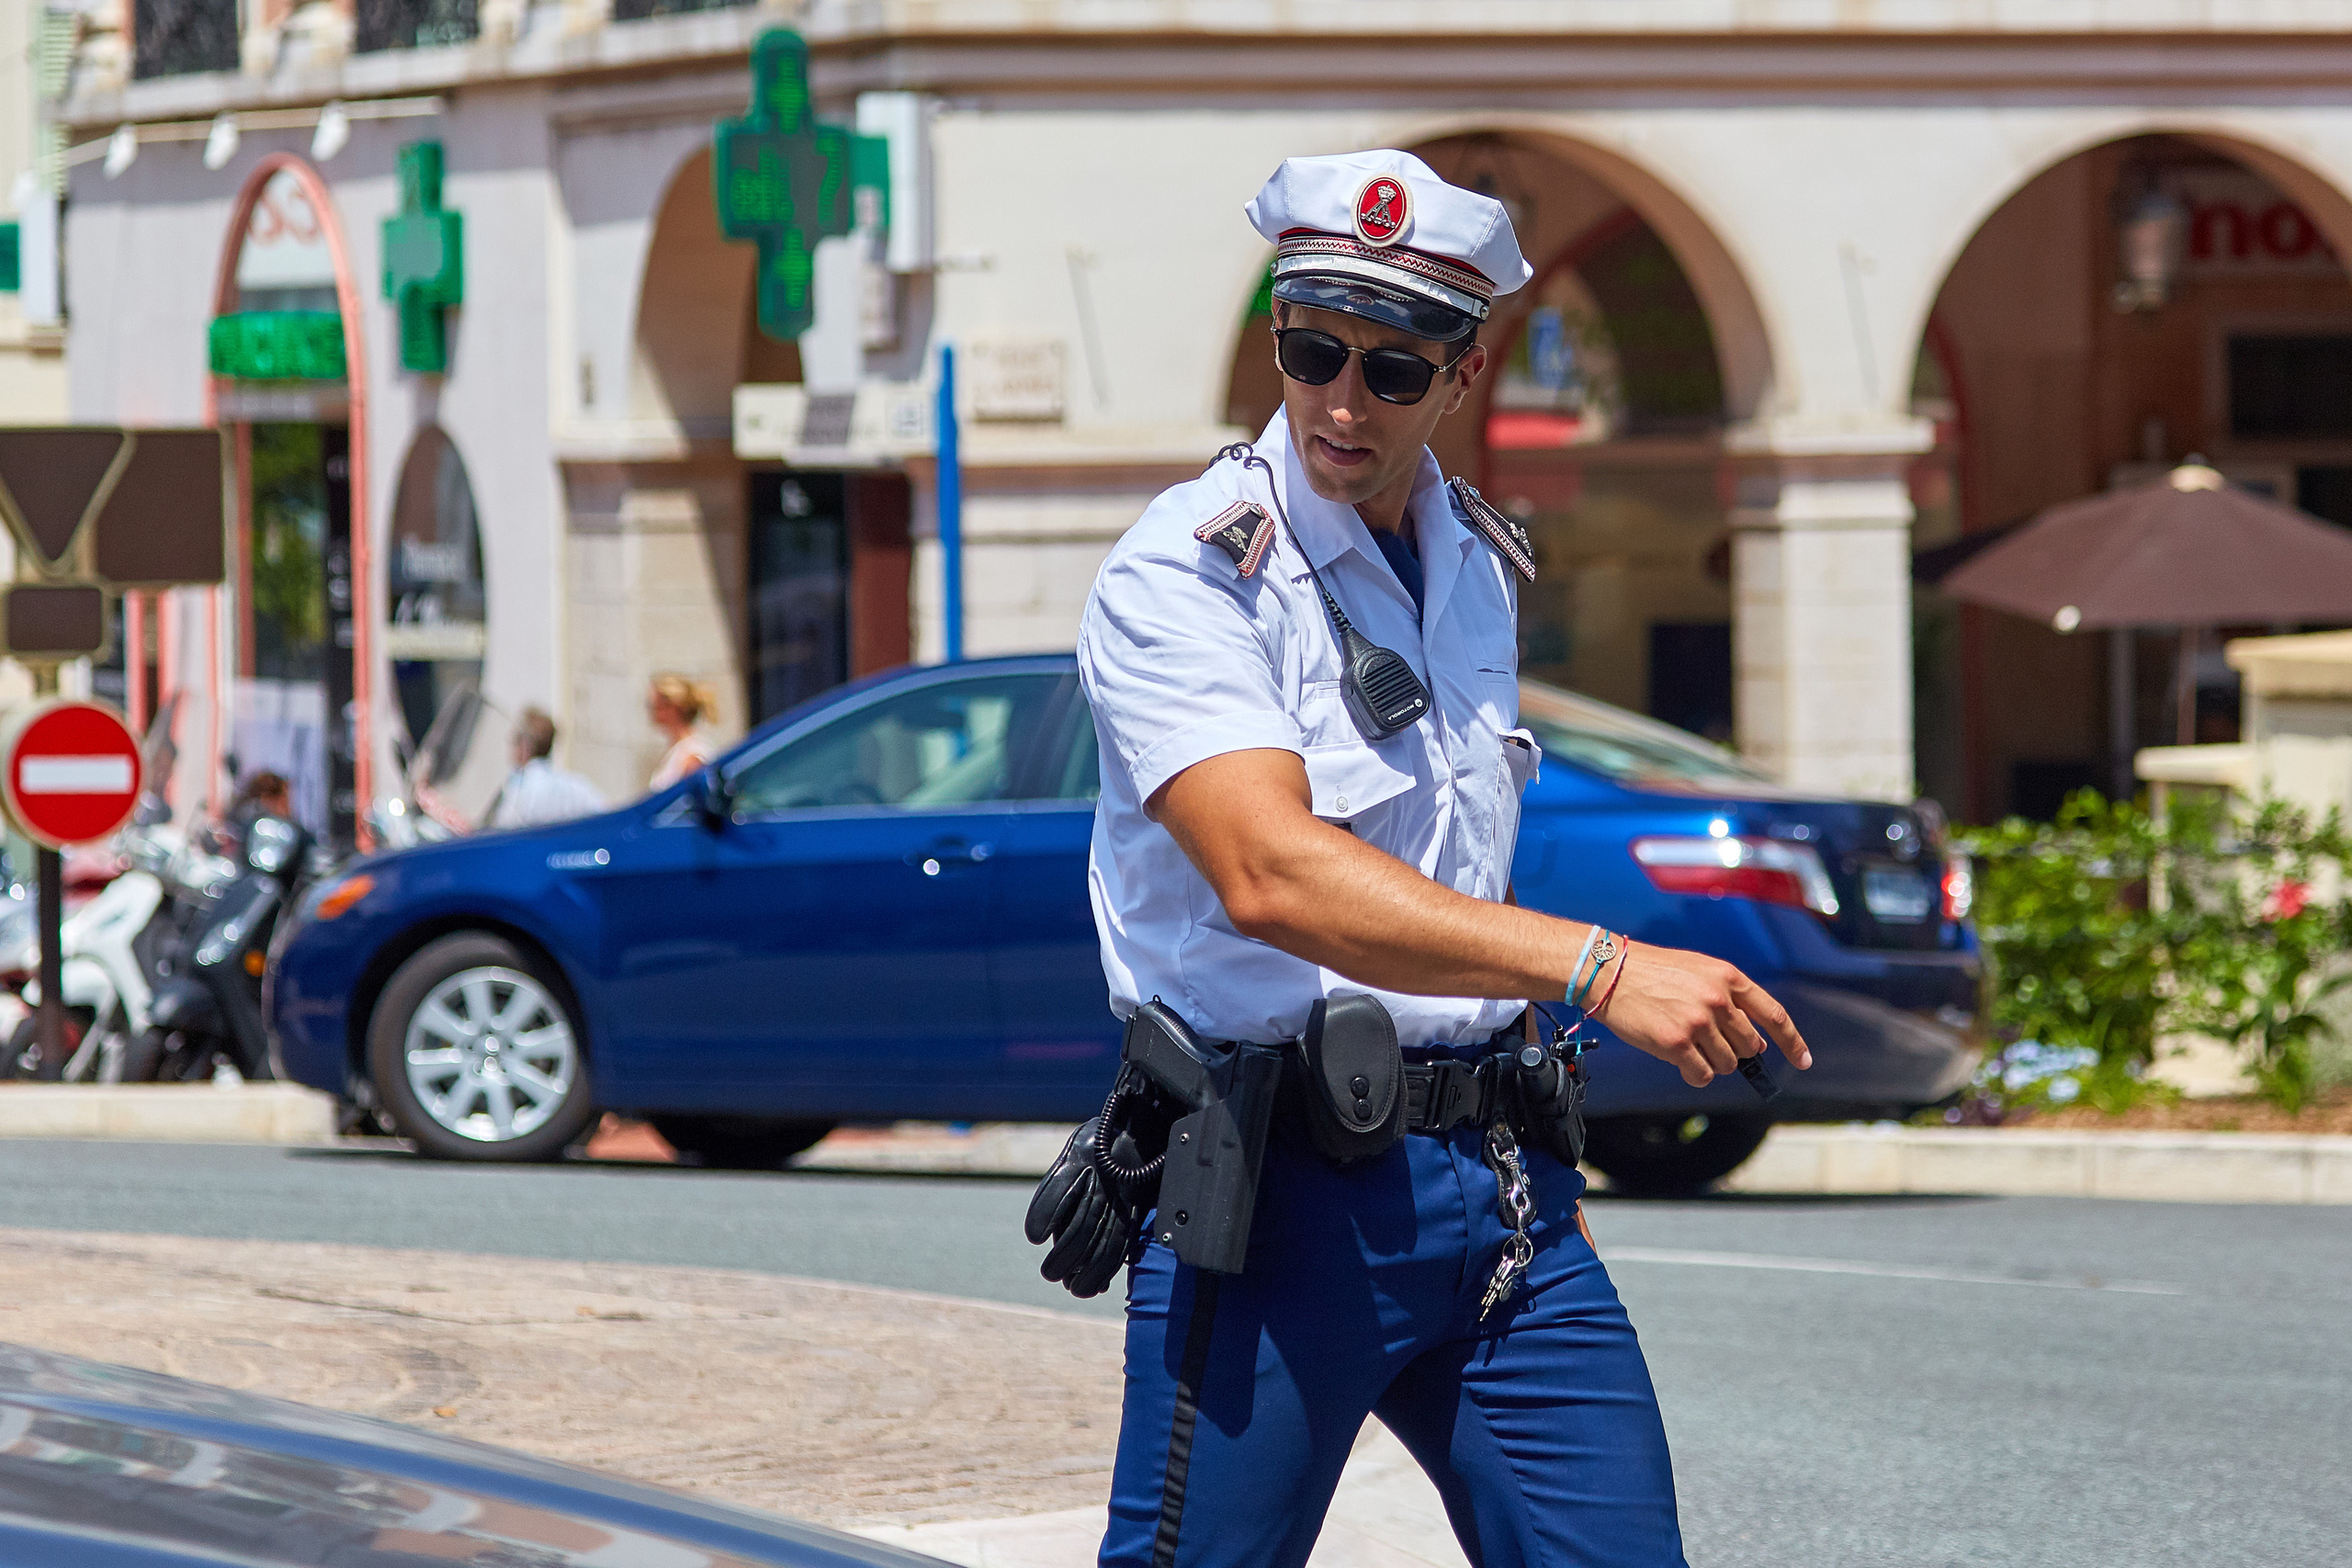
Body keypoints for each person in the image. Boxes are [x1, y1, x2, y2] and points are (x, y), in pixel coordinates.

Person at [1027, 150, 1814, 1568]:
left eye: (1392, 370)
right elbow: (1272, 872)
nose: (1340, 399)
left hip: (1499, 1185)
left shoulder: (1474, 558)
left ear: (1466, 373)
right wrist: (1600, 964)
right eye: (1312, 350)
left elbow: (1447, 862)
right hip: (1280, 1197)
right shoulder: (1191, 571)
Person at [481, 706, 605, 829]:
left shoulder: (519, 788)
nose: (512, 747)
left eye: (515, 740)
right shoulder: (575, 784)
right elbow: (604, 815)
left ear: (526, 744)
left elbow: (503, 830)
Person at [645, 672, 716, 790]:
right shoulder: (679, 749)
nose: (651, 711)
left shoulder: (691, 756)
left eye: (654, 705)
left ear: (672, 708)